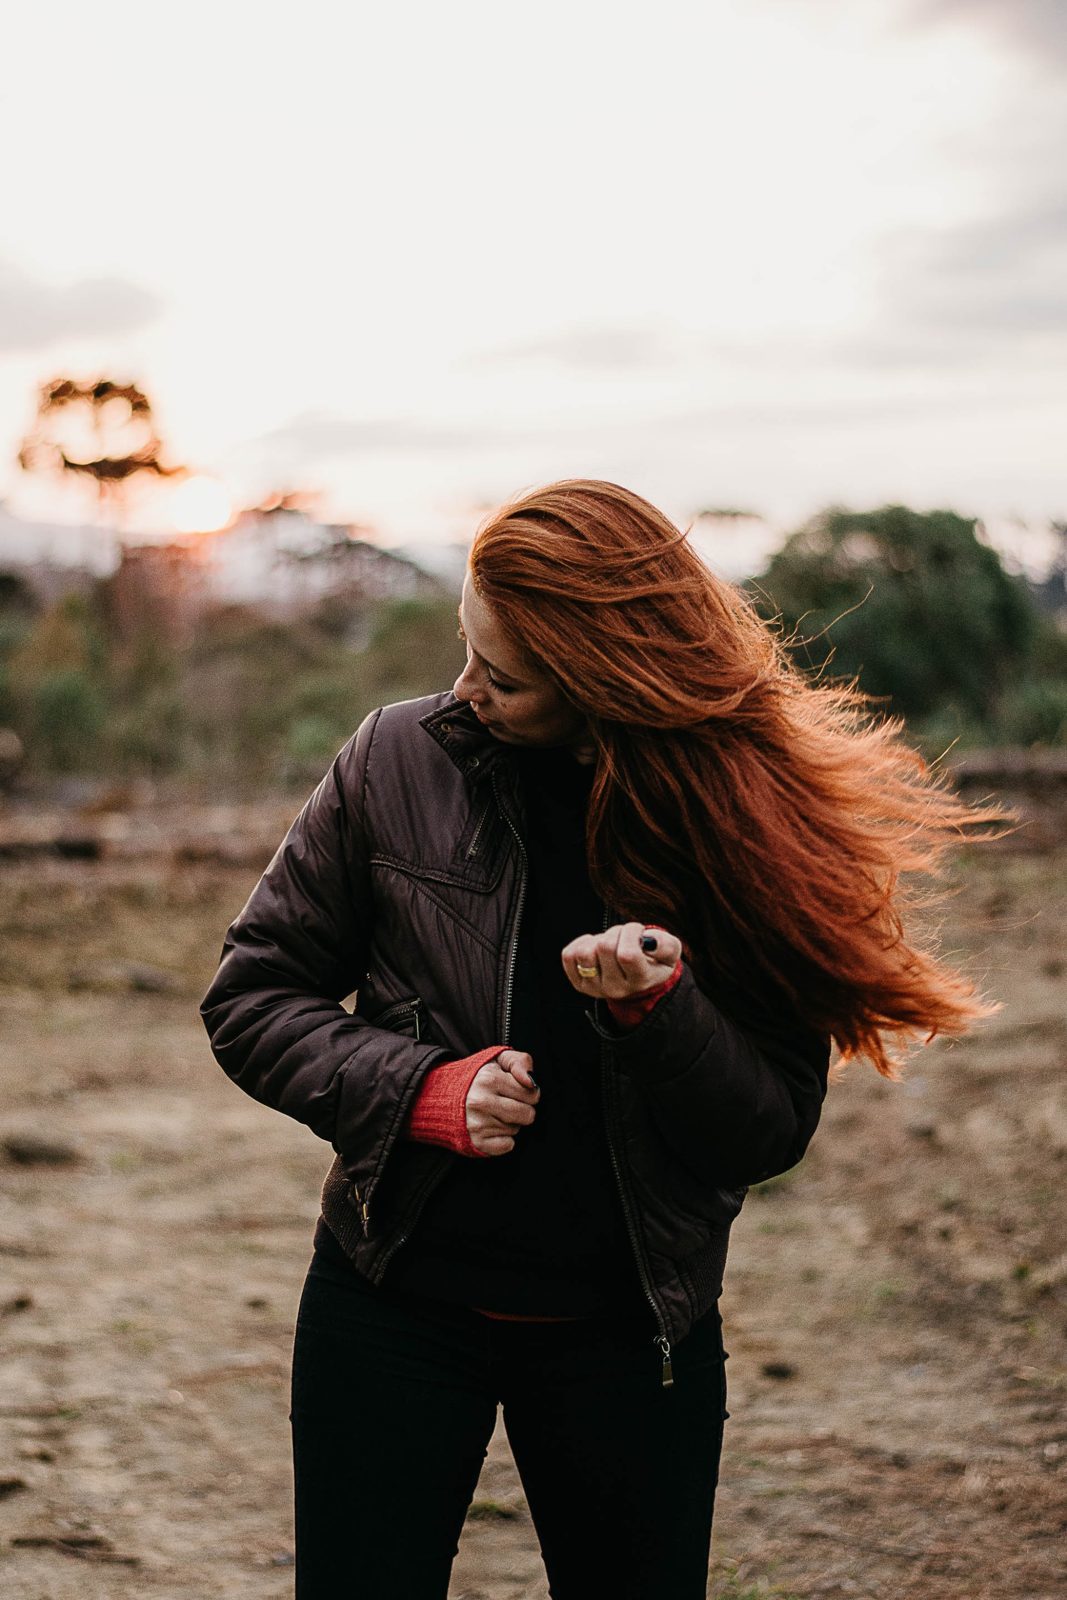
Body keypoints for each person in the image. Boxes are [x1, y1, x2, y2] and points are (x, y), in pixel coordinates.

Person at [200, 479, 998, 1599]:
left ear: (600, 682)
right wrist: (419, 1088)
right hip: (389, 1306)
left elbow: (767, 1127)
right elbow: (251, 995)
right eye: (466, 652)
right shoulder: (393, 761)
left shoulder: (739, 824)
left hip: (630, 1338)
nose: (466, 693)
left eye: (509, 677)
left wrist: (654, 1015)